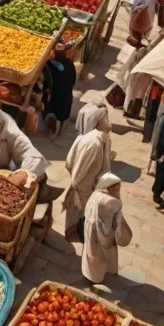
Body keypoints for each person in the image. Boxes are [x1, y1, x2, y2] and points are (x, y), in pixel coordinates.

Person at [62, 103, 112, 242]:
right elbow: (77, 172)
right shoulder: (93, 144)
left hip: (90, 190)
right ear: (96, 122)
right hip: (86, 191)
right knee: (84, 222)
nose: (108, 122)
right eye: (104, 118)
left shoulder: (102, 139)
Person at [82, 173, 132, 284]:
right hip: (103, 235)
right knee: (103, 257)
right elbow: (117, 224)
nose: (118, 191)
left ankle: (90, 276)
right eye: (116, 188)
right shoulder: (112, 202)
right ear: (109, 188)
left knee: (91, 256)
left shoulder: (95, 193)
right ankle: (99, 278)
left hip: (90, 231)